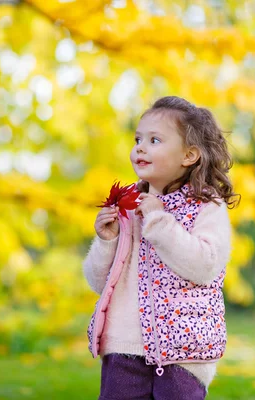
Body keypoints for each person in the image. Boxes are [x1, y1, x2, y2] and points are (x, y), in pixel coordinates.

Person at [84, 96, 238, 399]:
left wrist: (158, 219)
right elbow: (99, 282)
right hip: (123, 347)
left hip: (183, 351)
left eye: (155, 140)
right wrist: (107, 240)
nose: (140, 147)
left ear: (189, 155)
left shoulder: (205, 206)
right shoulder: (127, 207)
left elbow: (205, 266)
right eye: (138, 139)